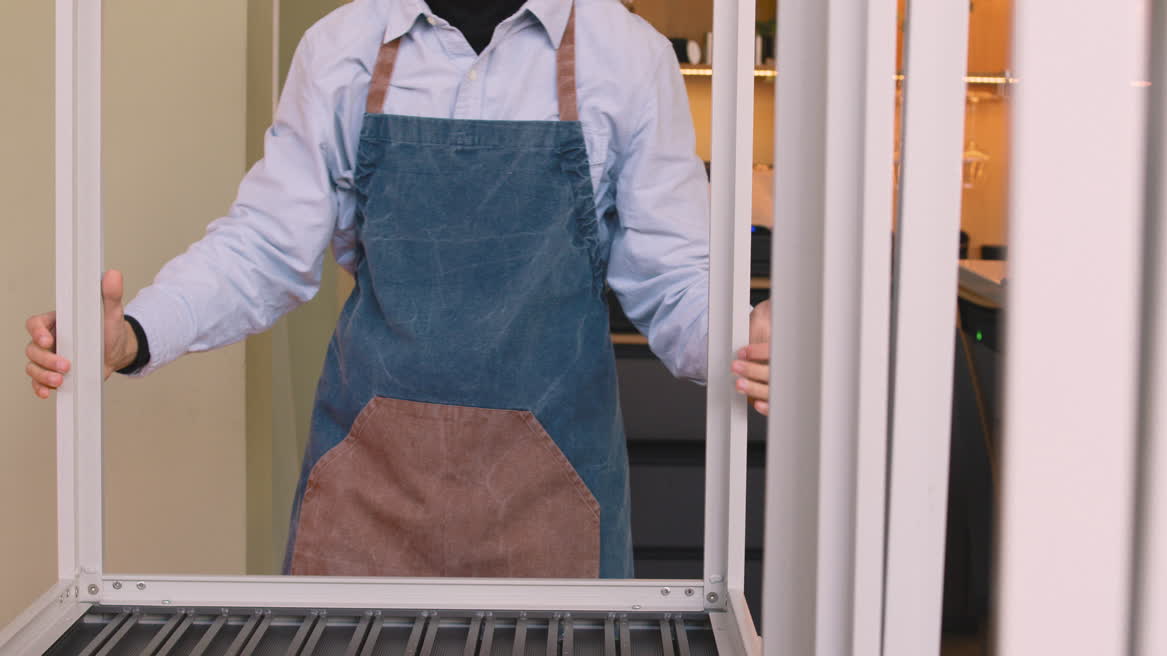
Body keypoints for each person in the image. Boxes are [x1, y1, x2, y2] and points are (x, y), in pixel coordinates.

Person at [23, 0, 772, 579]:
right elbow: (264, 247)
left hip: (556, 502)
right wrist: (134, 334)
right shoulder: (341, 46)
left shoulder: (627, 55)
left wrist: (749, 342)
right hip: (366, 496)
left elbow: (675, 276)